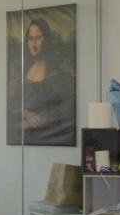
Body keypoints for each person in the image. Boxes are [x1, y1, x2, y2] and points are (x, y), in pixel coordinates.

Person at [7, 15, 74, 145]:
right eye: (30, 38)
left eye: (38, 38)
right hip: (21, 139)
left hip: (44, 139)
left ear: (46, 40)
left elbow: (59, 115)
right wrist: (24, 113)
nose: (33, 44)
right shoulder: (23, 73)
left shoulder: (57, 76)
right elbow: (13, 107)